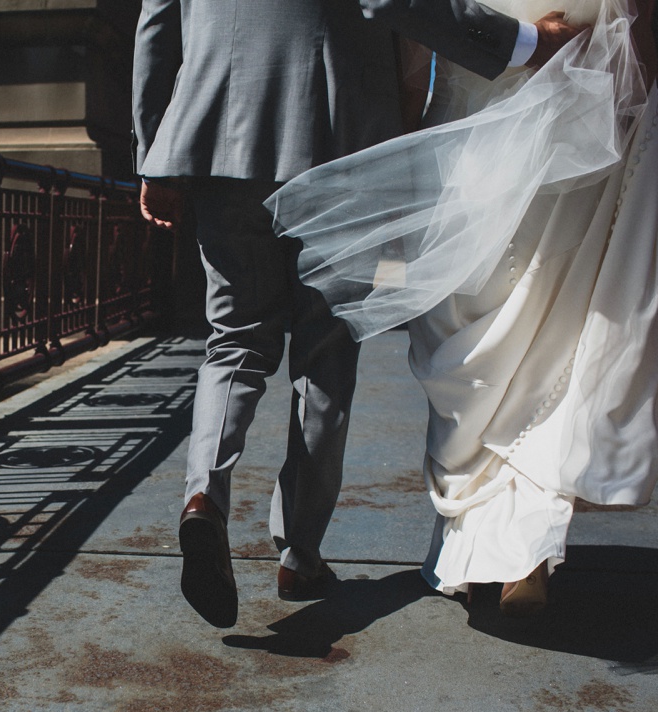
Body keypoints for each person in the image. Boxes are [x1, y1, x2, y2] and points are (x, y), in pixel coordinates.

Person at [133, 0, 586, 627]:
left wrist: (156, 150)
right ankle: (299, 553)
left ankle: (204, 497)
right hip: (338, 138)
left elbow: (157, 26)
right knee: (326, 350)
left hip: (216, 133)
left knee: (233, 340)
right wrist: (523, 43)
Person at [268, 0, 658, 616]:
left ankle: (485, 548)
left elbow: (416, 53)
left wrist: (398, 185)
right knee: (555, 340)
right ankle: (526, 548)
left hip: (474, 152)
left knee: (471, 345)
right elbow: (637, 45)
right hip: (584, 145)